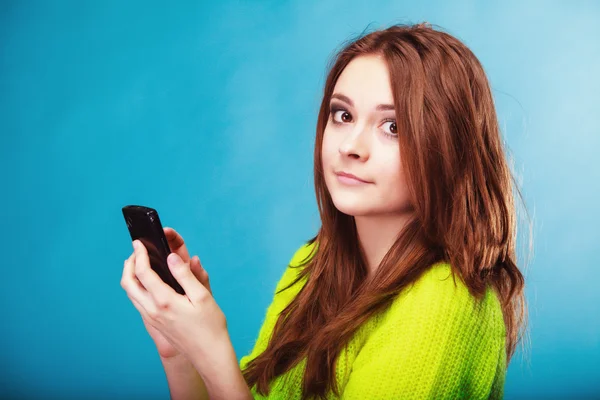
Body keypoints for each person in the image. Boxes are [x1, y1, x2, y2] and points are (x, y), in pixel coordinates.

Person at [121, 22, 528, 400]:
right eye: (343, 115)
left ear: (449, 148)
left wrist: (213, 351)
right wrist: (182, 354)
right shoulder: (313, 264)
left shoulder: (449, 303)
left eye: (393, 127)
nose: (350, 146)